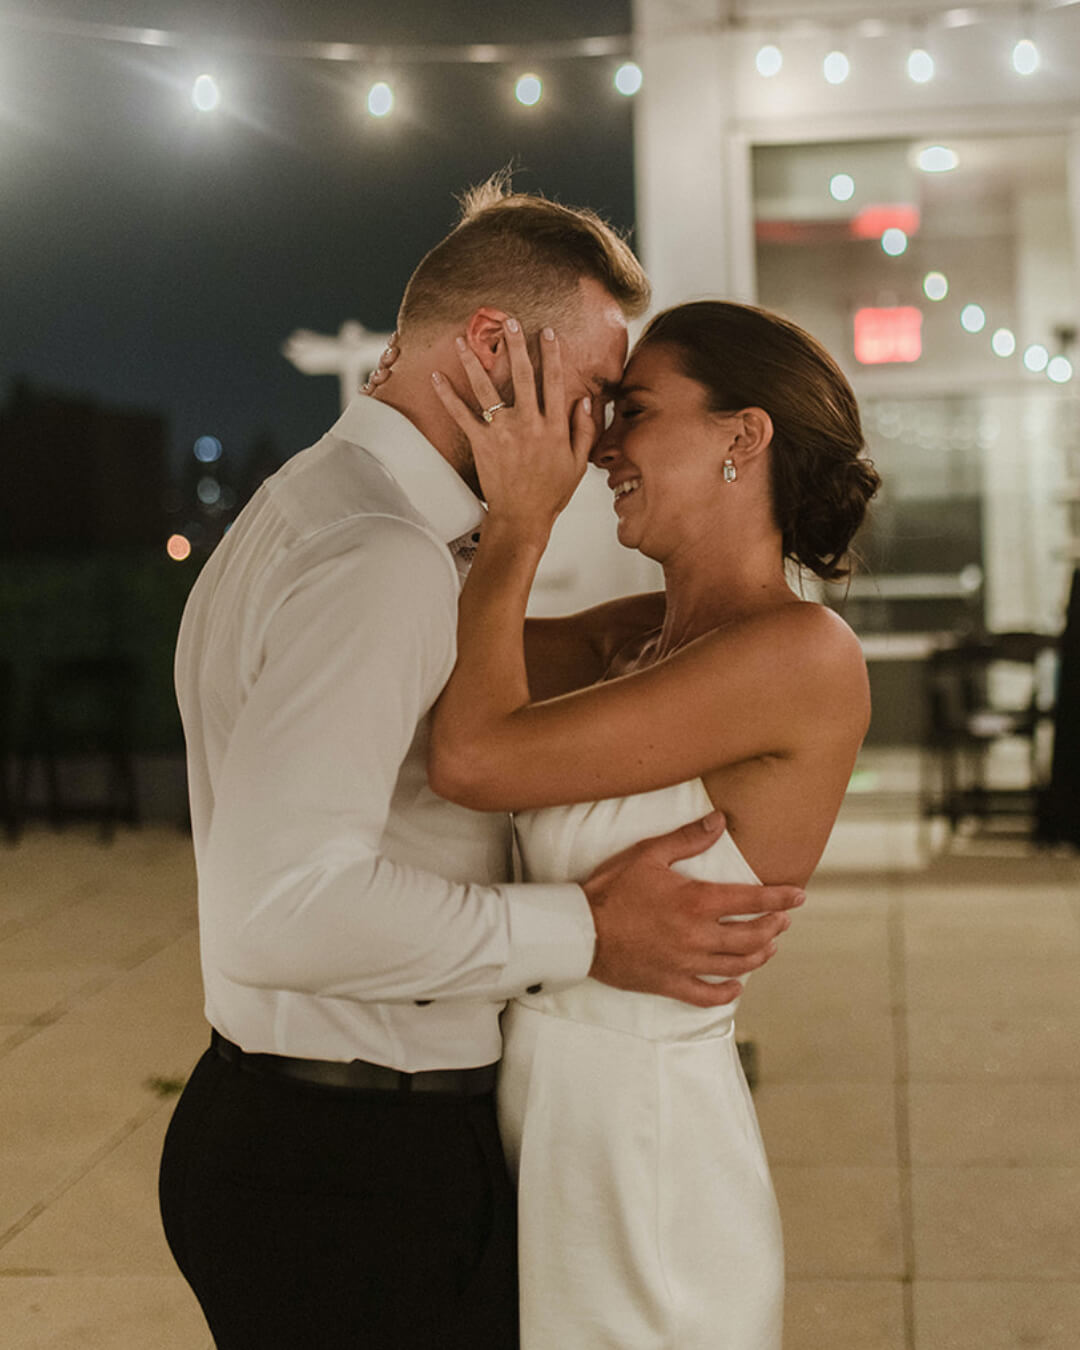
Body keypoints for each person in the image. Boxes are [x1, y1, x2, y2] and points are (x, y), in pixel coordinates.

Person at [157, 179, 805, 1350]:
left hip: (298, 1131)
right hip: (351, 1166)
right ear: (493, 345)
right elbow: (282, 911)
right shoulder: (383, 557)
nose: (605, 432)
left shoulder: (304, 507)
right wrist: (587, 930)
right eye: (599, 390)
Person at [426, 299, 880, 1349]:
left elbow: (470, 755)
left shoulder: (801, 655)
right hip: (530, 1113)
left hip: (646, 1144)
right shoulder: (631, 638)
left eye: (631, 413)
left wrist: (522, 522)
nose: (602, 451)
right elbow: (422, 656)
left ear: (744, 433)